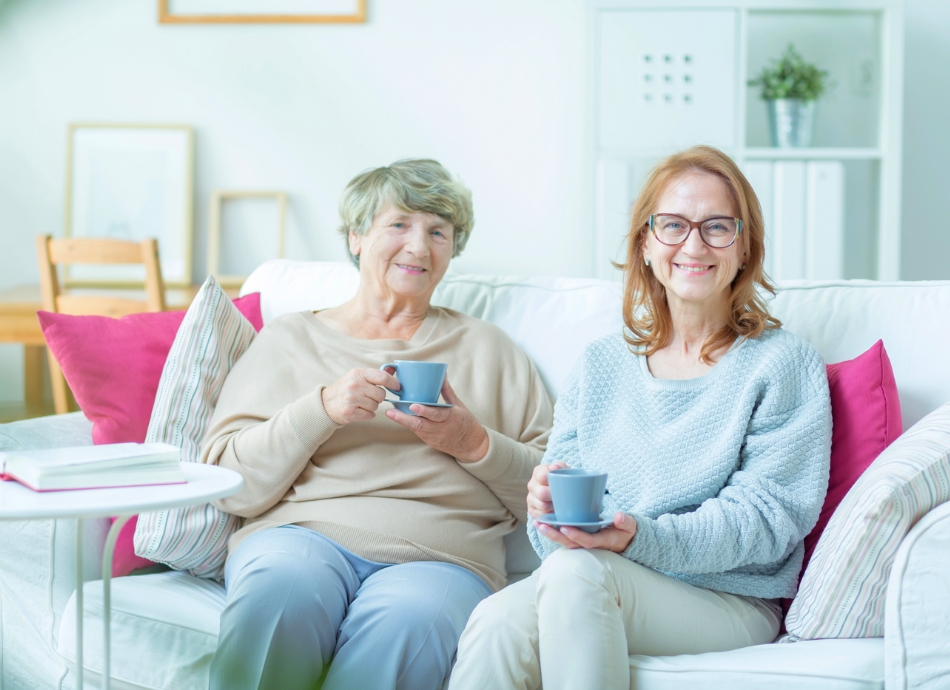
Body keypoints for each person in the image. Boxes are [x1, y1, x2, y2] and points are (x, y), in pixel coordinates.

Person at [449, 146, 832, 690]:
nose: (693, 245)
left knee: (577, 575)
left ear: (744, 247)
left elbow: (769, 519)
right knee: (494, 621)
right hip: (603, 573)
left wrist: (637, 540)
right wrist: (547, 511)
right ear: (646, 245)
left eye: (717, 227)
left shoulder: (781, 364)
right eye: (673, 226)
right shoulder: (602, 364)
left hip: (728, 595)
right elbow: (561, 533)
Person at [203, 159, 553, 690]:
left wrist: (474, 443)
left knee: (412, 622)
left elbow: (551, 489)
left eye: (438, 232)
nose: (418, 246)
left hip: (442, 558)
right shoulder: (290, 339)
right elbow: (229, 480)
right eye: (399, 225)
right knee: (279, 591)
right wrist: (320, 410)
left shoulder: (492, 351)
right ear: (356, 236)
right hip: (301, 536)